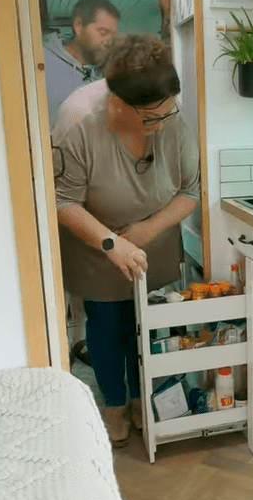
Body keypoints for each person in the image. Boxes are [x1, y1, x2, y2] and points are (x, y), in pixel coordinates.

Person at [52, 34, 200, 447]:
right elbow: (61, 201)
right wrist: (113, 243)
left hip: (154, 236)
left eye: (166, 114)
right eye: (150, 119)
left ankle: (141, 399)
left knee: (147, 325)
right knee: (107, 326)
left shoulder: (171, 117)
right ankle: (113, 405)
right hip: (95, 241)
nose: (161, 126)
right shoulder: (78, 121)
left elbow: (191, 190)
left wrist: (147, 231)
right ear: (115, 102)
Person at [43, 0, 120, 127]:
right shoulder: (42, 58)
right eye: (103, 32)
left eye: (113, 35)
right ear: (78, 26)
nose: (109, 41)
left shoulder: (106, 73)